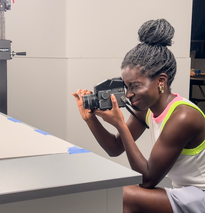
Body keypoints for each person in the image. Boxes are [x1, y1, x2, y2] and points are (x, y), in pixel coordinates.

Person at [72, 19, 205, 213]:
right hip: (185, 191)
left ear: (161, 81)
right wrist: (90, 118)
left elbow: (147, 179)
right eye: (126, 87)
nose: (128, 95)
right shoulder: (147, 108)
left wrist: (120, 124)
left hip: (200, 195)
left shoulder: (183, 117)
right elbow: (115, 148)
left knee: (125, 196)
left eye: (135, 86)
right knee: (118, 193)